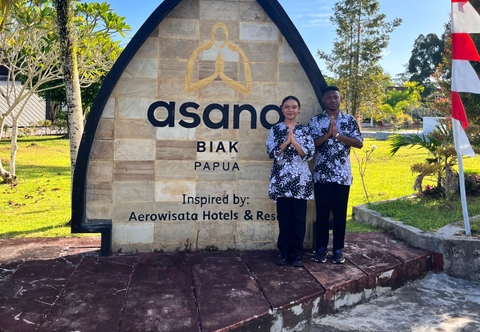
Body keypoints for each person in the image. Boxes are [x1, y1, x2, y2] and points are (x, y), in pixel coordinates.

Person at [308, 86, 363, 264]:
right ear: (323, 100)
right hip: (322, 175)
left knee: (340, 214)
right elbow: (311, 145)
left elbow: (359, 143)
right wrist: (327, 134)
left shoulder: (349, 120)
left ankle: (338, 249)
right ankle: (321, 249)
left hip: (342, 175)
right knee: (322, 213)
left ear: (340, 100)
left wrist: (338, 135)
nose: (332, 100)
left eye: (335, 97)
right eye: (329, 97)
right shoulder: (315, 121)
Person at [266, 96, 315, 268]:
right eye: (287, 107)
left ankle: (297, 254)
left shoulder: (305, 130)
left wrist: (295, 143)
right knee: (284, 218)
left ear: (299, 109)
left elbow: (309, 154)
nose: (290, 110)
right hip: (281, 181)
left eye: (294, 107)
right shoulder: (276, 129)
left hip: (300, 181)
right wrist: (285, 143)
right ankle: (284, 252)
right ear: (282, 109)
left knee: (299, 218)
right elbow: (270, 153)